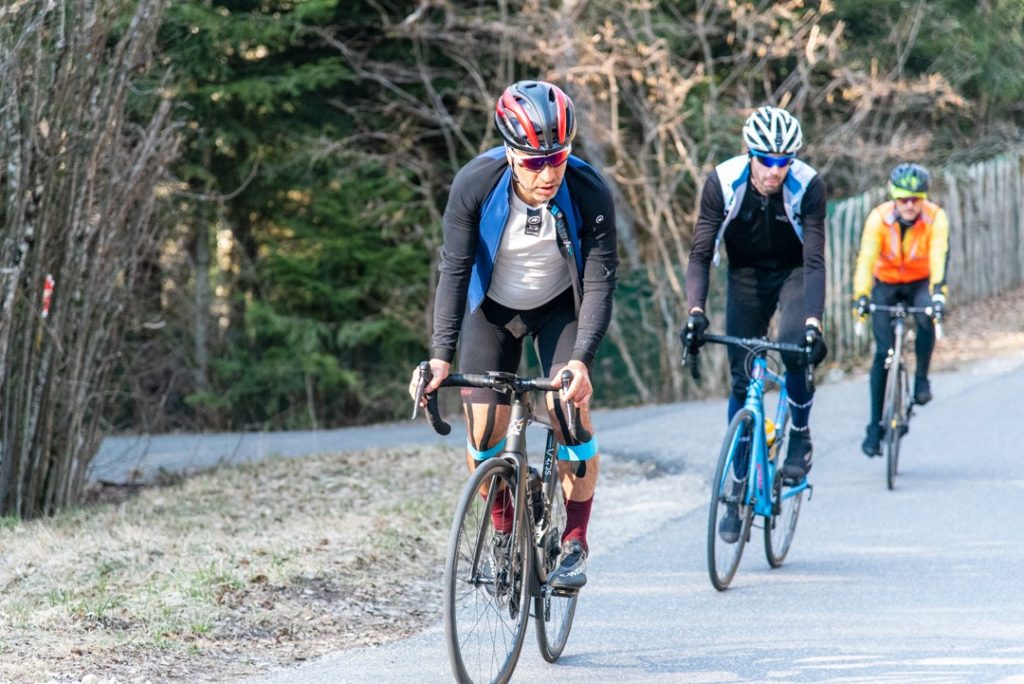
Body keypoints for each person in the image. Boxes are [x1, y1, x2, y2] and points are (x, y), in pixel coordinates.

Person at [408, 80, 618, 590]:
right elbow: (454, 272)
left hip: (558, 311)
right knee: (482, 434)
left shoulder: (589, 191)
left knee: (571, 414)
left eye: (558, 159)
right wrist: (439, 357)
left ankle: (574, 541)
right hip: (493, 310)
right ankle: (504, 528)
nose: (547, 173)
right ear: (509, 153)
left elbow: (599, 279)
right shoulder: (474, 184)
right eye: (533, 162)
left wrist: (582, 360)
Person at [682, 105, 828, 541]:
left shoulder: (808, 185)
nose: (774, 171)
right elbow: (701, 254)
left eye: (784, 161)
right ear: (750, 154)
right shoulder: (722, 183)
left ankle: (799, 434)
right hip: (745, 275)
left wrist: (814, 324)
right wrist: (695, 311)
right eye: (766, 160)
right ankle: (738, 480)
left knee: (792, 347)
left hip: (794, 272)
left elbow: (816, 259)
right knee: (741, 374)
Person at [853, 162, 949, 457]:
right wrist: (861, 298)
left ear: (924, 198)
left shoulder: (935, 218)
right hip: (886, 282)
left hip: (919, 282)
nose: (909, 205)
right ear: (894, 197)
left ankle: (921, 378)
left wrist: (938, 296)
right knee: (882, 354)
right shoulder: (878, 219)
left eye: (916, 199)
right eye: (904, 199)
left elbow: (939, 256)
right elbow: (866, 259)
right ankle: (873, 426)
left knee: (925, 317)